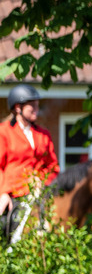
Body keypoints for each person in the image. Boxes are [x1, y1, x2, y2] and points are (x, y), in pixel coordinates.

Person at [1, 84, 59, 225]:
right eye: (32, 105)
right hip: (13, 194)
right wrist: (3, 193)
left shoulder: (44, 134)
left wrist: (41, 180)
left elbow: (53, 167)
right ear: (18, 108)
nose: (36, 109)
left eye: (37, 105)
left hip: (41, 194)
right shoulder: (4, 132)